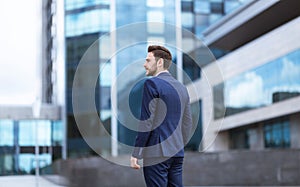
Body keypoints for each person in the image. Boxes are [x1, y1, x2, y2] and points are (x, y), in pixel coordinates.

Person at [130, 45, 193, 187]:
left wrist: (137, 153)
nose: (144, 64)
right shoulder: (182, 87)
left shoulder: (152, 84)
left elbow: (147, 122)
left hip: (156, 153)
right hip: (177, 153)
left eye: (148, 60)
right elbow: (187, 123)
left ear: (159, 62)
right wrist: (178, 144)